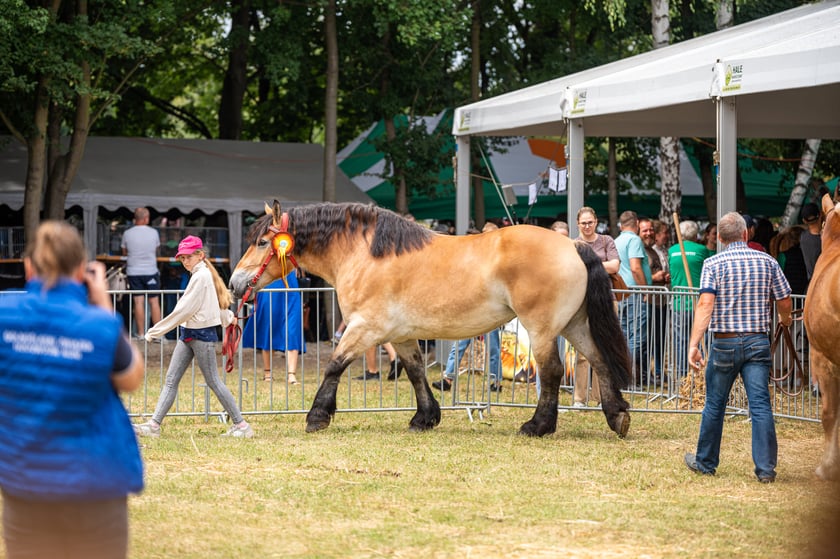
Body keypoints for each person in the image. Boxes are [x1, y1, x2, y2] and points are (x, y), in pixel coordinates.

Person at [0, 220, 145, 559]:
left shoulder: (4, 316)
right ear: (82, 270)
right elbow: (132, 378)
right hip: (95, 485)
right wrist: (106, 309)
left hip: (26, 483)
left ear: (28, 266)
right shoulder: (99, 325)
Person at [684, 212, 792, 484]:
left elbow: (706, 305)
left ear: (719, 238)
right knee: (760, 405)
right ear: (746, 234)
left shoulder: (713, 264)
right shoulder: (767, 261)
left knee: (714, 405)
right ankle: (766, 469)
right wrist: (785, 319)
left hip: (725, 342)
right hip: (757, 341)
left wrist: (694, 344)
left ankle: (706, 462)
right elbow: (784, 297)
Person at [134, 235, 254, 438]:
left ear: (200, 255)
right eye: (182, 257)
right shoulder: (203, 274)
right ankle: (154, 425)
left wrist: (155, 331)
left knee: (213, 381)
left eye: (188, 256)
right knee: (171, 380)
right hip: (189, 334)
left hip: (200, 336)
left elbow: (184, 310)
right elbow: (212, 303)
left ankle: (241, 425)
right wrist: (230, 317)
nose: (185, 261)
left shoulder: (201, 276)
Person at [571, 206, 620, 407]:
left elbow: (615, 266)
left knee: (604, 347)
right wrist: (601, 264)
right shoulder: (572, 244)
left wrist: (588, 265)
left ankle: (602, 398)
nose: (587, 226)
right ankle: (579, 399)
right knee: (582, 352)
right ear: (578, 224)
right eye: (583, 223)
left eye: (590, 222)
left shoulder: (607, 241)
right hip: (581, 299)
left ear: (596, 222)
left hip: (607, 299)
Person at [242, 272, 306, 384]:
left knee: (293, 330)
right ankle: (267, 373)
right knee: (268, 327)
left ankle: (292, 375)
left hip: (290, 285)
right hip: (270, 282)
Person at [668, 220, 711, 381]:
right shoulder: (702, 250)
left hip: (679, 303)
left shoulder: (672, 250)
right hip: (699, 304)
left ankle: (681, 376)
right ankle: (700, 376)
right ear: (695, 234)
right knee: (700, 339)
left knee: (680, 340)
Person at [614, 210, 651, 387]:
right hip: (634, 293)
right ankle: (626, 376)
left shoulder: (616, 240)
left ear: (621, 225)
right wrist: (645, 290)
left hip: (620, 292)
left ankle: (621, 376)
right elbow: (636, 268)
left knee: (623, 335)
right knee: (636, 336)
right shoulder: (634, 240)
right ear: (636, 224)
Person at [121, 207, 161, 337]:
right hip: (150, 271)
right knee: (154, 301)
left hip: (133, 271)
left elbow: (124, 253)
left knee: (138, 302)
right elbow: (156, 250)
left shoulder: (127, 233)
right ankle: (158, 335)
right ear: (146, 218)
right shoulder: (154, 232)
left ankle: (141, 334)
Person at [640, 218, 670, 386]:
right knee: (646, 339)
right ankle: (644, 373)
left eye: (651, 230)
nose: (649, 233)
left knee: (659, 338)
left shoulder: (652, 251)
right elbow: (635, 274)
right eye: (646, 231)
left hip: (660, 301)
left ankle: (657, 371)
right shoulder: (641, 251)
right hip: (647, 301)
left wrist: (662, 277)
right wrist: (653, 278)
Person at [431, 330, 502, 393]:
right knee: (458, 346)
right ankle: (447, 380)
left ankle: (497, 383)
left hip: (489, 318)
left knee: (493, 349)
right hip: (471, 318)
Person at [799, 202, 822, 281]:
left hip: (812, 283)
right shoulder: (826, 239)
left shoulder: (803, 237)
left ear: (804, 221)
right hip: (827, 283)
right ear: (820, 215)